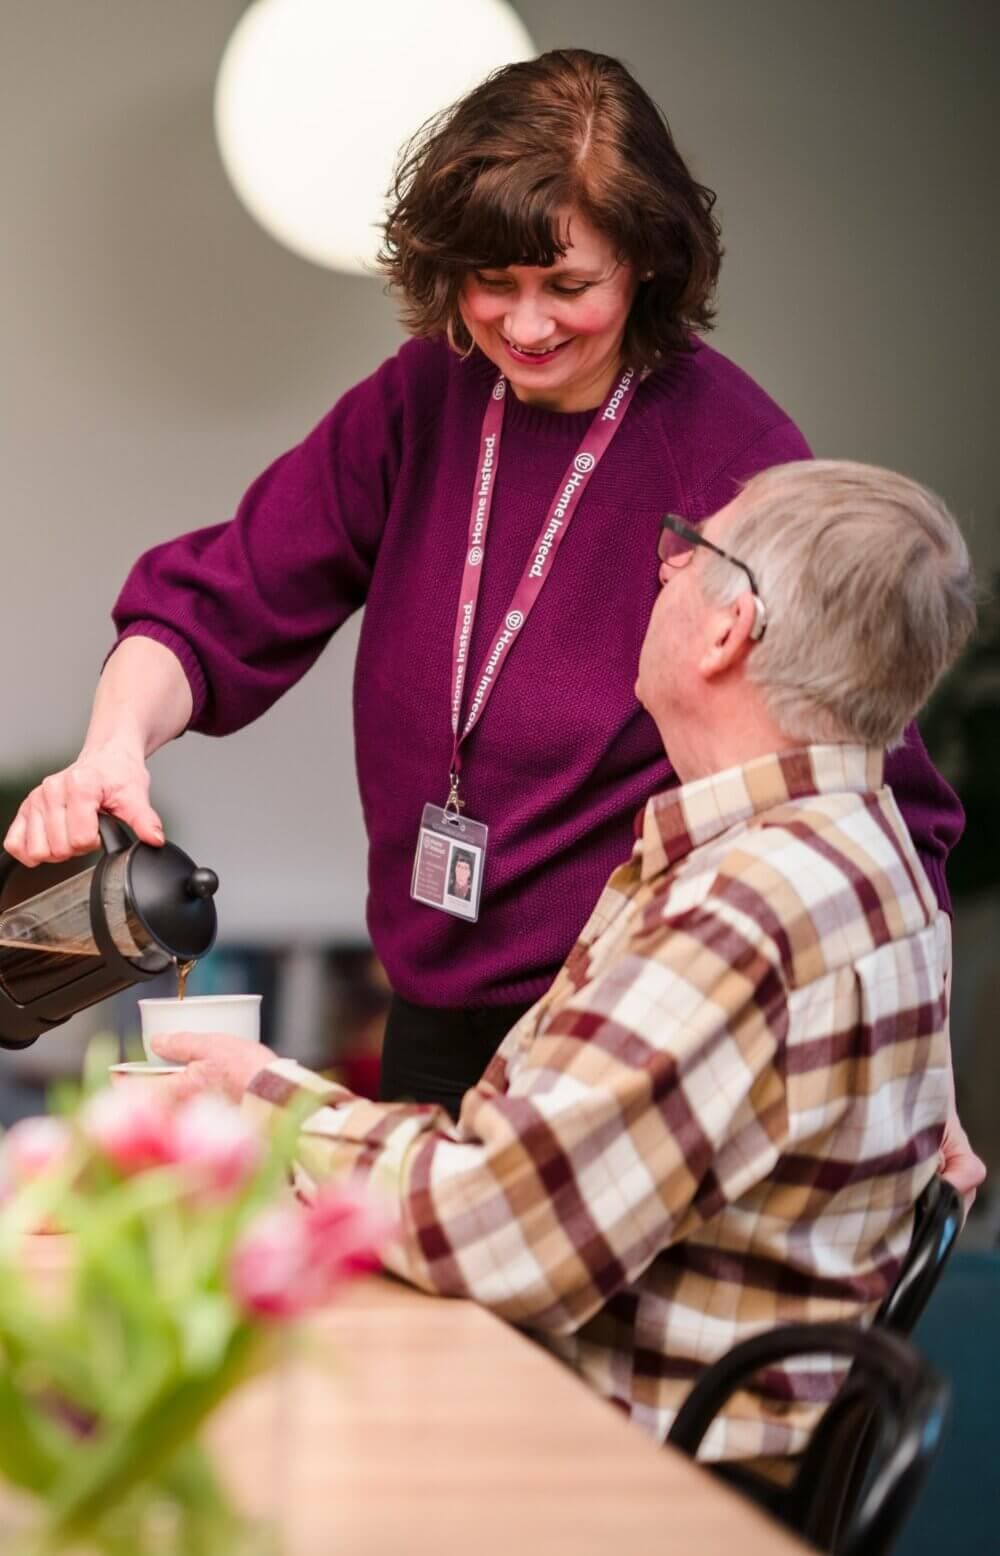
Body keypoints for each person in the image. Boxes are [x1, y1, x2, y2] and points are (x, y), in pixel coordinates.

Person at [3, 51, 966, 1124]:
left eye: (568, 286)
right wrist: (113, 748)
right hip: (427, 1003)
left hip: (624, 1030)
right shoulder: (429, 394)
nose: (524, 326)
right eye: (491, 282)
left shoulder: (730, 457)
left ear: (645, 263)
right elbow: (216, 600)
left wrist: (920, 1093)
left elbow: (882, 793)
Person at [155, 458, 976, 1459]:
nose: (665, 568)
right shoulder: (866, 843)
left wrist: (265, 1103)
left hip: (616, 1470)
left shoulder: (747, 903)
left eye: (692, 548)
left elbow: (498, 1227)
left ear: (728, 628)